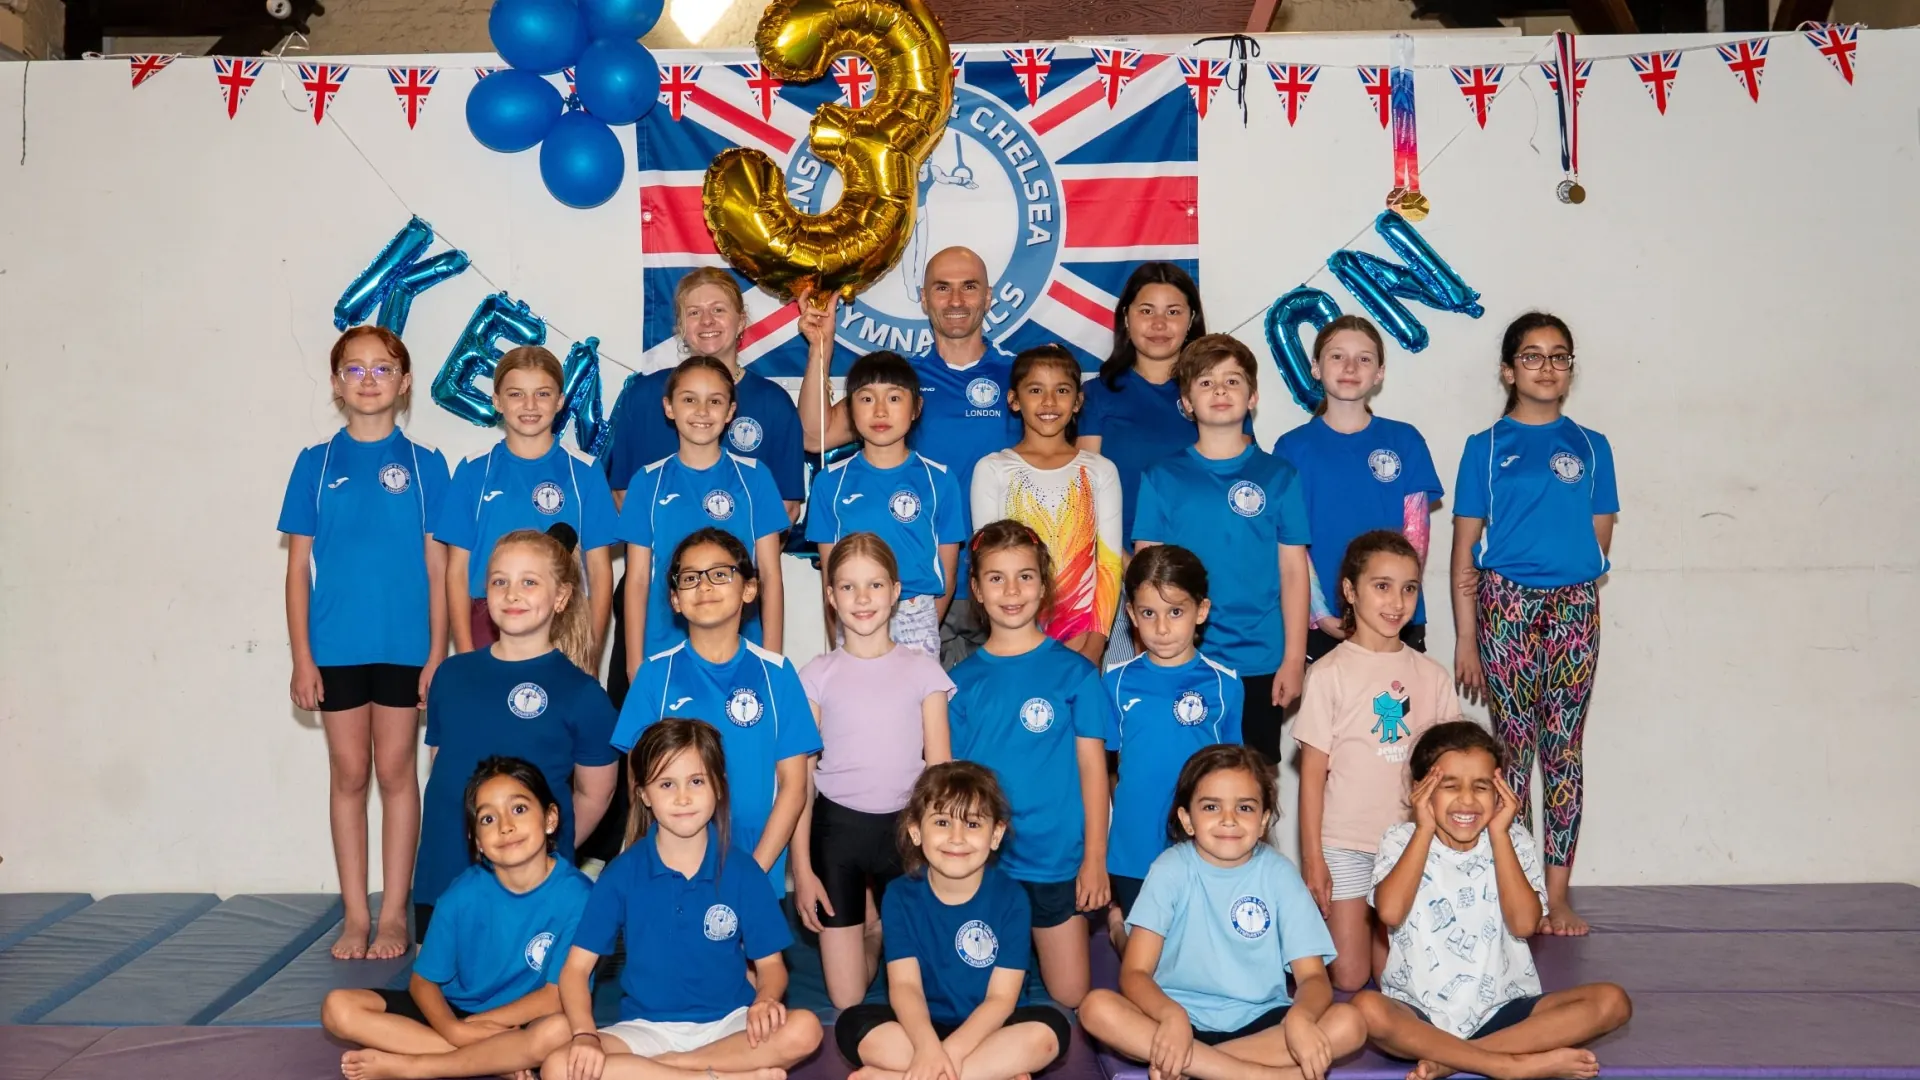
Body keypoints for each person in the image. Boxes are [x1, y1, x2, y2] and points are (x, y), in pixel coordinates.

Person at [279, 326, 449, 960]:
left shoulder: (427, 466)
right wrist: (302, 656)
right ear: (336, 383)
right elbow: (298, 570)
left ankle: (395, 914)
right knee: (349, 774)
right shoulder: (315, 464)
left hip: (406, 649)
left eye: (384, 369)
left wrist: (438, 655)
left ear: (404, 383)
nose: (370, 379)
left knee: (397, 772)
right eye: (356, 370)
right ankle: (355, 914)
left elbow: (439, 572)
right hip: (337, 649)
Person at [1450, 313, 1618, 937]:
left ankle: (1557, 893)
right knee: (1512, 749)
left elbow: (1598, 534)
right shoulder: (1485, 446)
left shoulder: (1592, 445)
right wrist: (1469, 634)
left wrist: (1572, 579)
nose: (1547, 367)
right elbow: (1465, 547)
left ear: (1570, 370)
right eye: (1532, 356)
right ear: (1508, 369)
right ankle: (1509, 884)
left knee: (1565, 750)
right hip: (1506, 606)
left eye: (1559, 357)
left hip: (1574, 605)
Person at [544, 719, 824, 1080]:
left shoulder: (742, 871)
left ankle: (672, 1071)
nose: (683, 797)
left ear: (719, 787)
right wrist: (584, 1035)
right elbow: (575, 971)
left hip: (729, 1026)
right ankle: (721, 1076)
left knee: (805, 1028)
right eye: (666, 784)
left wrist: (766, 999)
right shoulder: (621, 874)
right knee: (557, 1067)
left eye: (696, 781)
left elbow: (771, 968)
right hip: (646, 1031)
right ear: (644, 794)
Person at [1351, 722, 1631, 1080]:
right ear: (1420, 790)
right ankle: (1508, 1065)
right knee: (1367, 1008)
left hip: (1503, 1011)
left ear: (1500, 793)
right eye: (1449, 786)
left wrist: (1500, 835)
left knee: (1612, 1001)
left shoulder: (1513, 839)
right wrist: (1422, 830)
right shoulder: (1400, 838)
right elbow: (1390, 911)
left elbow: (1524, 923)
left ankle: (1459, 1058)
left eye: (1481, 787)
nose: (1467, 800)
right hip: (1419, 1015)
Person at [1077, 745, 1365, 1080]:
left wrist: (1300, 1017)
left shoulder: (1280, 874)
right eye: (1211, 806)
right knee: (1096, 1008)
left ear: (1263, 820)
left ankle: (1200, 1068)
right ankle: (1261, 1076)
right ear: (1187, 820)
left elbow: (1313, 978)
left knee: (1350, 1023)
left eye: (1244, 807)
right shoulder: (1170, 869)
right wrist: (1171, 1016)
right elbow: (1135, 973)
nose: (1228, 819)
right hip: (1177, 1022)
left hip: (1262, 1025)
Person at [798, 246, 1020, 667]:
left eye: (969, 287)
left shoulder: (1021, 376)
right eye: (942, 288)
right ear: (923, 297)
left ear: (989, 296)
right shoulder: (899, 382)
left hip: (1006, 588)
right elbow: (815, 434)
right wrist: (820, 348)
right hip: (919, 592)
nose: (956, 301)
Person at [603, 267, 805, 706]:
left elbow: (777, 532)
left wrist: (771, 652)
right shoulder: (644, 409)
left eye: (718, 309)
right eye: (694, 312)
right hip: (660, 624)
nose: (708, 321)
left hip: (739, 625)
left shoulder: (762, 440)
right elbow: (627, 512)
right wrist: (635, 663)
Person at [325, 757, 589, 1080]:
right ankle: (499, 1059)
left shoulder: (578, 896)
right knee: (338, 1008)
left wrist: (481, 1026)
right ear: (477, 840)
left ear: (550, 819)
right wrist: (454, 1029)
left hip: (521, 1019)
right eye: (488, 818)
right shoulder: (461, 895)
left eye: (519, 809)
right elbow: (423, 983)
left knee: (560, 1030)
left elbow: (555, 995)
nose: (505, 826)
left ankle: (417, 1065)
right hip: (456, 1014)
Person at [413, 528, 617, 939]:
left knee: (524, 1000)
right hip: (443, 877)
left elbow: (596, 795)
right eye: (499, 581)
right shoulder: (450, 676)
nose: (512, 593)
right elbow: (444, 774)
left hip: (531, 889)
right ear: (484, 595)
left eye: (529, 581)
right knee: (434, 996)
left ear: (560, 598)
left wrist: (544, 849)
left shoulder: (583, 695)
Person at [946, 520, 1111, 1008]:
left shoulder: (1077, 673)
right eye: (996, 578)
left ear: (1044, 585)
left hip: (1057, 860)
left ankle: (1116, 924)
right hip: (983, 865)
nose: (1011, 591)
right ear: (975, 588)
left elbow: (1094, 772)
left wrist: (1094, 861)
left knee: (1072, 995)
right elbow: (951, 785)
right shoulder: (959, 682)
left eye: (1024, 576)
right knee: (978, 999)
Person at [792, 534, 956, 1009]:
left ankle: (883, 919)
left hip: (905, 835)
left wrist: (941, 862)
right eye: (848, 587)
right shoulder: (815, 676)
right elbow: (800, 782)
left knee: (930, 989)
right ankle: (871, 927)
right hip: (837, 834)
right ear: (830, 595)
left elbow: (940, 775)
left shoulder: (923, 670)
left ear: (896, 591)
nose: (862, 599)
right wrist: (802, 869)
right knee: (846, 999)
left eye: (874, 585)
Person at [1134, 334, 1312, 770]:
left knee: (1252, 780)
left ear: (1252, 397)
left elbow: (1293, 572)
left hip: (1260, 659)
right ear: (1187, 402)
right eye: (1206, 382)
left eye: (1233, 381)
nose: (1220, 391)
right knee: (1183, 776)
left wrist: (1293, 658)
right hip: (1181, 656)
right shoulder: (1161, 477)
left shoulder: (1279, 476)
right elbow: (1147, 579)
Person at [1293, 531, 1462, 992]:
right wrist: (1313, 859)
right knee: (1348, 977)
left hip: (1409, 844)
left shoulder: (1431, 675)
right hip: (1345, 842)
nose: (1397, 601)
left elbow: (1451, 770)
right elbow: (1311, 776)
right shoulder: (1328, 673)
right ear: (1350, 590)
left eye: (1409, 588)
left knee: (1394, 976)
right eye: (1382, 586)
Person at [611, 529, 818, 895]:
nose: (704, 586)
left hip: (758, 865)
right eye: (690, 578)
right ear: (675, 599)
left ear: (750, 589)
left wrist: (751, 874)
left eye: (720, 573)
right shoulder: (653, 675)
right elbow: (636, 784)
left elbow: (794, 787)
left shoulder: (778, 674)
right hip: (672, 872)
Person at [834, 762, 1071, 1080]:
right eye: (942, 822)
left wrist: (948, 1055)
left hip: (992, 1028)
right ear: (916, 831)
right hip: (920, 1028)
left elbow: (1001, 1000)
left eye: (973, 824)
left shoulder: (1011, 898)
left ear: (996, 834)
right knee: (852, 1025)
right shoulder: (899, 896)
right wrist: (928, 1048)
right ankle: (988, 1073)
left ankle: (907, 1076)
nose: (956, 838)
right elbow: (905, 987)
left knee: (1049, 1034)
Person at [1273, 316, 1443, 659]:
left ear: (1379, 372)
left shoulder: (1405, 440)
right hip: (1325, 621)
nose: (1350, 366)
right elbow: (1292, 542)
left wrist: (1392, 600)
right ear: (1316, 368)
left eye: (1364, 358)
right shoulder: (1291, 448)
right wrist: (1320, 612)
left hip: (1396, 617)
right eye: (1337, 356)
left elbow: (1415, 539)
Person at [1101, 544, 1242, 954]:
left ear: (1201, 611)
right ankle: (1116, 925)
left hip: (1203, 844)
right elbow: (1107, 769)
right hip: (1134, 845)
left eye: (1175, 612)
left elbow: (1236, 776)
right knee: (1144, 959)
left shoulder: (1225, 684)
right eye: (1148, 613)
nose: (1162, 627)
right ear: (1131, 615)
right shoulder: (1115, 683)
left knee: (1195, 951)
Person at [436, 346, 618, 660]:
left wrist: (591, 653)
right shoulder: (474, 470)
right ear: (497, 401)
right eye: (517, 394)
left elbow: (601, 572)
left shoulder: (585, 472)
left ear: (560, 401)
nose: (530, 405)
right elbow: (456, 571)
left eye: (543, 394)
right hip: (489, 618)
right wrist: (465, 653)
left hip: (563, 618)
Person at [616, 355, 791, 678]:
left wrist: (772, 659)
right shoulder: (647, 481)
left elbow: (770, 575)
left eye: (714, 401)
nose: (701, 411)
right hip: (663, 650)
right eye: (689, 399)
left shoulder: (755, 478)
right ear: (669, 407)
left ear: (730, 412)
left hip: (742, 652)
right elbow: (637, 580)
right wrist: (634, 663)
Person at [1078, 263, 1214, 667]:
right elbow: (1088, 497)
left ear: (1192, 319)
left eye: (1173, 311)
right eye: (1146, 310)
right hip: (1122, 578)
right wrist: (1136, 574)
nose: (1159, 323)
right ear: (1125, 317)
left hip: (1204, 577)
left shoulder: (1214, 391)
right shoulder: (1098, 395)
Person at [804, 351, 967, 659]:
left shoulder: (940, 480)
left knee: (916, 707)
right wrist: (840, 636)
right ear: (850, 409)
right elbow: (830, 575)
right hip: (853, 614)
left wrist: (926, 621)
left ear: (916, 408)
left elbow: (947, 572)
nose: (880, 411)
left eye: (894, 398)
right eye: (866, 399)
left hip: (916, 615)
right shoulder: (829, 482)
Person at [971, 344, 1124, 666]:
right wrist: (1016, 639)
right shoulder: (993, 469)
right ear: (1014, 399)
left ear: (1078, 401)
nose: (1049, 402)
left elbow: (1109, 565)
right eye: (1036, 390)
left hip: (1083, 639)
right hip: (1014, 639)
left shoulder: (1100, 470)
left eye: (1062, 390)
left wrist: (1093, 648)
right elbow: (989, 566)